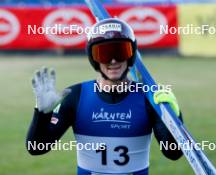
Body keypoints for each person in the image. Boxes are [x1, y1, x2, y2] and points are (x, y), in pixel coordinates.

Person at [26, 18, 183, 175]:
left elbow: (174, 153)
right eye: (104, 53)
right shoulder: (75, 96)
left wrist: (175, 116)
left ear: (131, 55)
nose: (113, 60)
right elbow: (36, 148)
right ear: (93, 58)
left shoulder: (148, 98)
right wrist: (42, 114)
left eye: (120, 52)